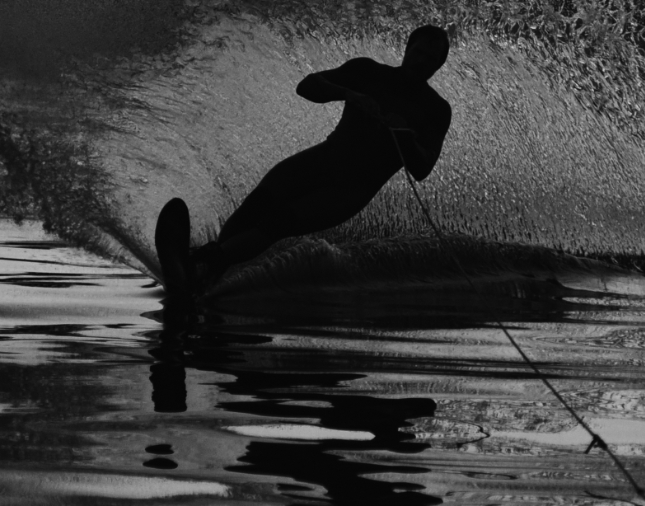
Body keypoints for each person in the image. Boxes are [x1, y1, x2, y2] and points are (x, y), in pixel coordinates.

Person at [155, 24, 452, 307]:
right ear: (407, 48)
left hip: (349, 190)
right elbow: (307, 86)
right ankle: (204, 277)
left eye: (431, 59)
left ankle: (199, 262)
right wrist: (349, 94)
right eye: (419, 52)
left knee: (278, 222)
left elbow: (423, 169)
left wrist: (409, 140)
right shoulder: (367, 72)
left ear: (438, 66)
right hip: (322, 159)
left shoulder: (436, 110)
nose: (422, 61)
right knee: (255, 208)